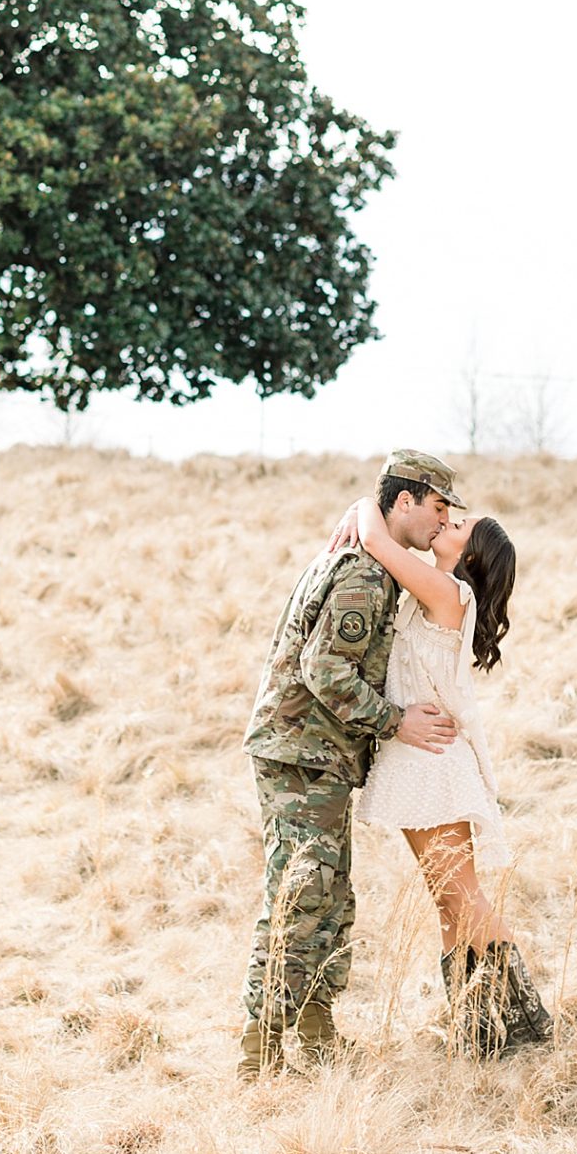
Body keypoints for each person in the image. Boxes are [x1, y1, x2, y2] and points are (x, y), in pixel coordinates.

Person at [238, 449, 466, 1081]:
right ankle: (258, 1052)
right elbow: (324, 669)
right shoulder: (364, 575)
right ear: (404, 500)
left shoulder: (374, 564)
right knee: (299, 894)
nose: (441, 520)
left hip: (321, 756)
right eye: (437, 505)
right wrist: (397, 721)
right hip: (301, 753)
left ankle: (313, 1033)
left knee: (330, 896)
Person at [334, 487, 553, 1057]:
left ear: (471, 556)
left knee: (464, 896)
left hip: (431, 764)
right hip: (424, 761)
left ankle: (530, 1028)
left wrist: (363, 503)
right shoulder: (436, 592)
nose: (444, 524)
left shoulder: (449, 591)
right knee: (450, 902)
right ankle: (480, 1032)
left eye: (458, 526)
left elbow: (378, 538)